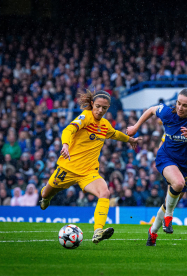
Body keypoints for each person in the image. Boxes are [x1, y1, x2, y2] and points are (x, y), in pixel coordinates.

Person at [39, 90, 141, 244]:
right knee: (46, 193)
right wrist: (65, 145)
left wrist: (129, 140)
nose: (100, 110)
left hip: (88, 172)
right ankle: (46, 197)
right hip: (68, 168)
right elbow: (69, 129)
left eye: (104, 108)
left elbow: (114, 134)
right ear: (92, 103)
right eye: (98, 106)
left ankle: (98, 230)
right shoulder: (85, 116)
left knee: (104, 192)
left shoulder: (105, 125)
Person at [127, 86, 187, 246]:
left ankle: (152, 232)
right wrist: (136, 127)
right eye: (178, 103)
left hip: (186, 164)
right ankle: (169, 217)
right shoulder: (168, 112)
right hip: (166, 157)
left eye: (185, 105)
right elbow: (151, 110)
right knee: (178, 183)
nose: (180, 107)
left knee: (168, 202)